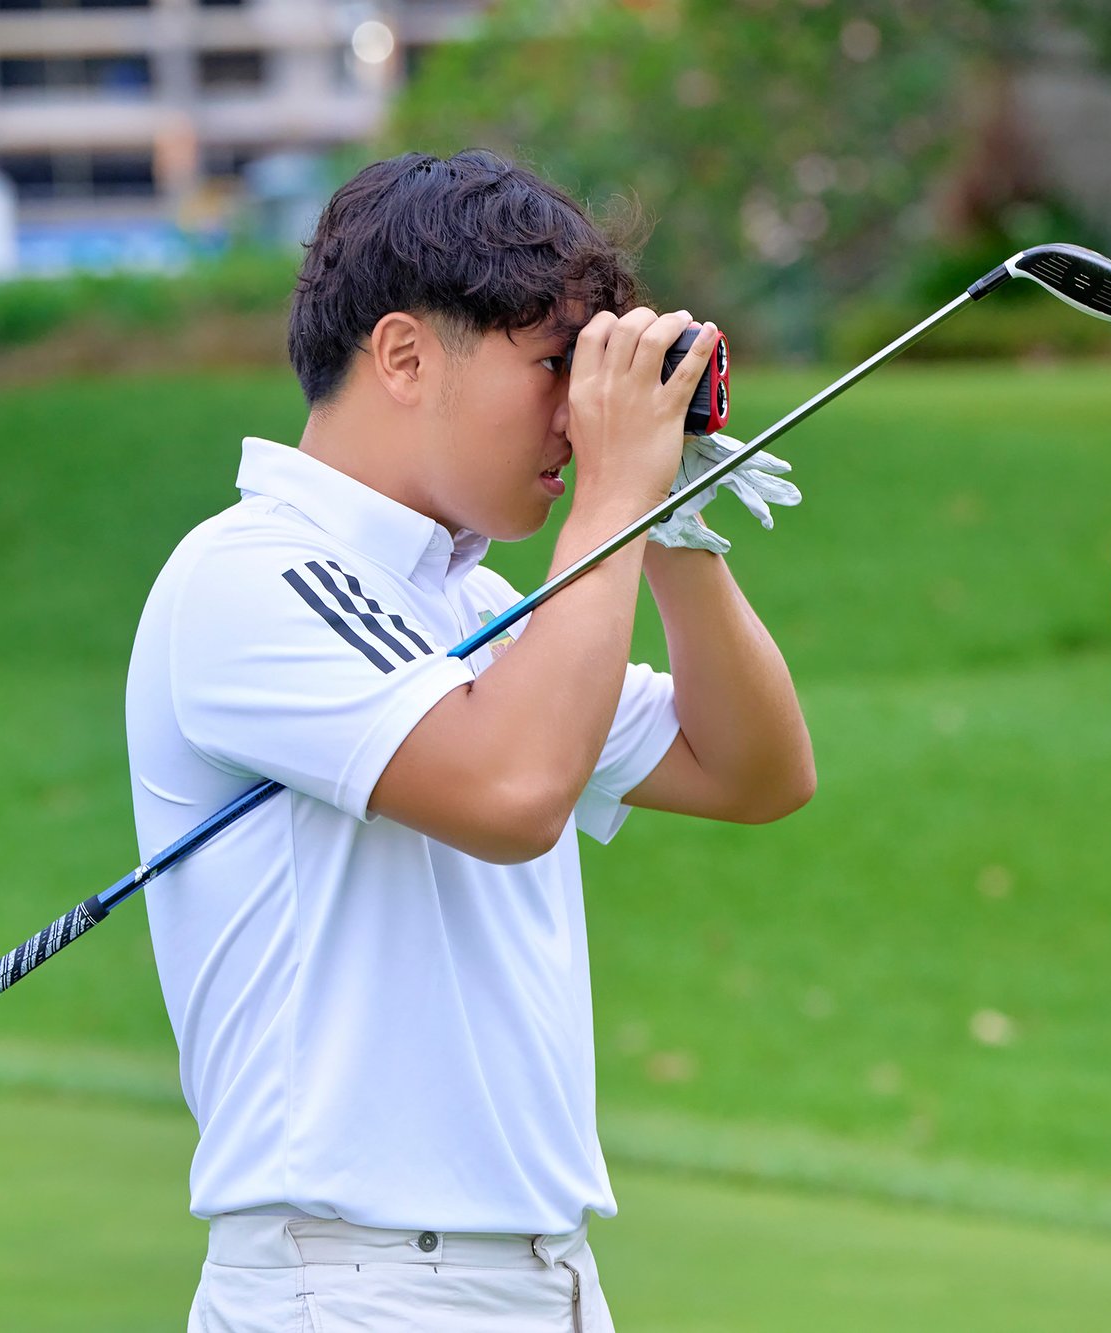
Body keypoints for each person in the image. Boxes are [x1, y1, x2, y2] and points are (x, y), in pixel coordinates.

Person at [125, 150, 816, 1332]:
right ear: (402, 355)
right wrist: (609, 501)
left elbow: (752, 772)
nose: (577, 412)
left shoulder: (468, 601)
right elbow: (511, 791)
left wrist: (670, 522)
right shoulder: (251, 573)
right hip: (354, 1281)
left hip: (540, 1277)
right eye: (557, 364)